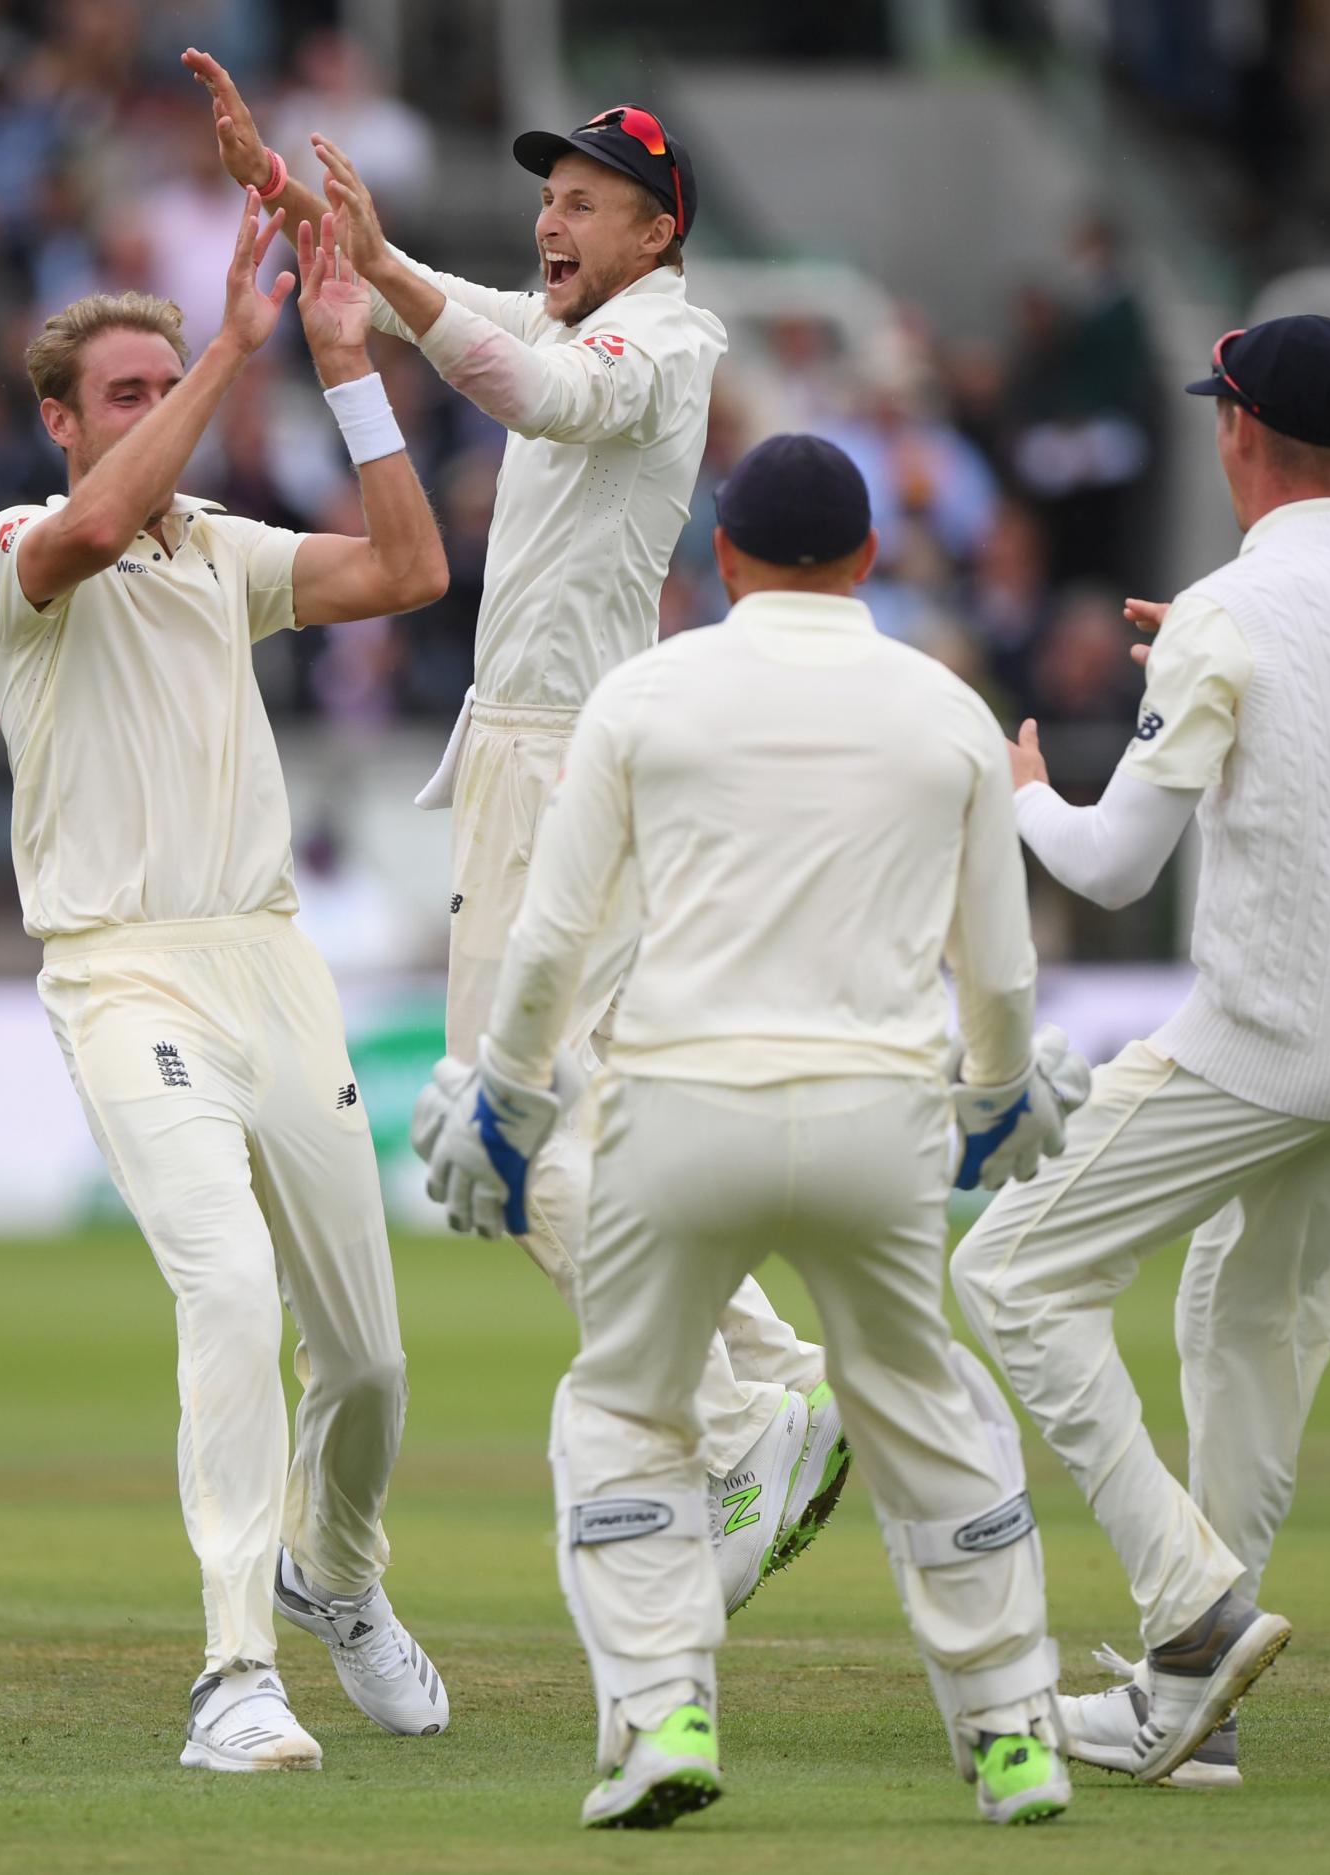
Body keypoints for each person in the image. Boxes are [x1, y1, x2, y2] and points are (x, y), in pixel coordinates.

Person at [182, 47, 841, 1612]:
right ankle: (780, 1385)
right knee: (589, 1119)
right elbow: (486, 323)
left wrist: (386, 269)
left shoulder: (664, 346)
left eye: (586, 204)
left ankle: (751, 1414)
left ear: (656, 234)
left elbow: (525, 385)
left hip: (560, 762)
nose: (552, 222)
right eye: (547, 197)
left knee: (499, 1123)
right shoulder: (592, 313)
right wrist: (308, 215)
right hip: (551, 749)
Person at [413, 436, 1092, 1830]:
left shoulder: (646, 696)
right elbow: (1002, 974)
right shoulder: (947, 708)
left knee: (624, 1411)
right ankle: (1013, 1734)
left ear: (718, 559)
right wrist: (996, 1098)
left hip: (685, 1115)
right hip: (874, 1122)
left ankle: (662, 1711)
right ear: (869, 560)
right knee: (925, 1416)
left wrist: (510, 1102)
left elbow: (547, 942)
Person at [951, 315, 1330, 1787]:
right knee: (1244, 1317)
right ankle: (1196, 1716)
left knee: (1008, 1271)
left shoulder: (1226, 609)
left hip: (1272, 1033)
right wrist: (1191, 663)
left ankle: (1193, 1614)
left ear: (1239, 431)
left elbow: (1113, 865)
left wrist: (1022, 791)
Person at [0, 192, 453, 1773]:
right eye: (120, 392)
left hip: (270, 962)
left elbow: (410, 567)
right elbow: (97, 528)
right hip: (123, 973)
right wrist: (228, 350)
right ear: (59, 418)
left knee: (370, 1360)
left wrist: (336, 362)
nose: (147, 413)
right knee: (229, 1292)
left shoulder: (225, 555)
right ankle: (234, 1672)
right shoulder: (18, 554)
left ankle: (341, 1577)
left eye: (156, 385)